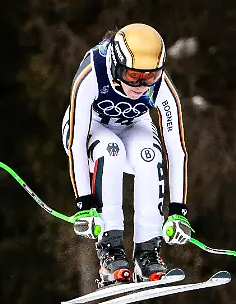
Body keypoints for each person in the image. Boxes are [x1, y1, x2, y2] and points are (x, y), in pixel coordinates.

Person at [61, 22, 193, 288]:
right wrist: (84, 205)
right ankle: (110, 255)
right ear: (116, 65)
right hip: (91, 127)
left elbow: (176, 149)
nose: (142, 85)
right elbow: (76, 144)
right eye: (133, 76)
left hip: (134, 125)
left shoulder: (161, 86)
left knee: (149, 156)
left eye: (150, 77)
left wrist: (178, 211)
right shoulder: (92, 72)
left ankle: (148, 255)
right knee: (110, 152)